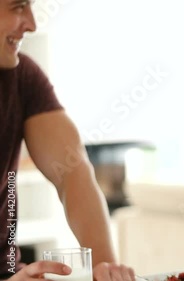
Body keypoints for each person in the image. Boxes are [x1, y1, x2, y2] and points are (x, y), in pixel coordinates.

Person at [0, 0, 136, 280]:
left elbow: (72, 173)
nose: (32, 24)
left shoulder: (23, 77)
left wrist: (104, 266)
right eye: (18, 7)